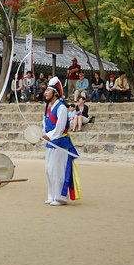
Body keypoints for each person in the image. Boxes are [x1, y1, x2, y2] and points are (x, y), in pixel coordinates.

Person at [42, 76, 81, 206]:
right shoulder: (48, 107)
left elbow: (59, 127)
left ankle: (60, 197)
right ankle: (51, 195)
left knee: (56, 169)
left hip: (60, 142)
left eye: (48, 90)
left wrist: (49, 135)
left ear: (56, 93)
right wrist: (39, 137)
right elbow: (45, 126)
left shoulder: (62, 107)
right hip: (51, 142)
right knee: (48, 169)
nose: (46, 92)